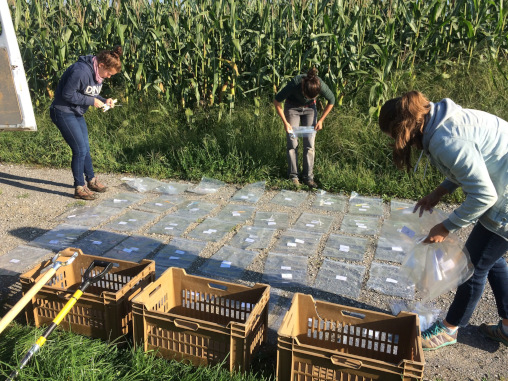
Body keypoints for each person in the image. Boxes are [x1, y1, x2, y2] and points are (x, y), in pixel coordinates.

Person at [379, 90, 508, 351]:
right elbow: (470, 162)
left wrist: (446, 227)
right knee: (492, 259)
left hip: (504, 200)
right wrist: (439, 193)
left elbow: (484, 194)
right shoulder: (441, 119)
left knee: (470, 265)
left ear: (403, 128)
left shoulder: (445, 139)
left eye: (394, 136)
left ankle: (449, 329)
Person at [50, 46, 122, 200]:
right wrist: (91, 101)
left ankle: (91, 180)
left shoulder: (96, 72)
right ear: (101, 65)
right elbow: (67, 94)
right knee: (80, 149)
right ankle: (79, 187)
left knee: (85, 147)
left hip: (76, 112)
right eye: (109, 73)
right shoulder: (81, 71)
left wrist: (104, 100)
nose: (109, 77)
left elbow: (89, 92)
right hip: (63, 111)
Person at [273, 67, 335, 188]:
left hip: (310, 110)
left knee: (310, 143)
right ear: (303, 89)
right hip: (292, 108)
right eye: (308, 96)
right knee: (292, 142)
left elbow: (332, 100)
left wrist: (321, 120)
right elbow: (277, 101)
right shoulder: (295, 83)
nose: (310, 98)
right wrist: (285, 122)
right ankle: (293, 176)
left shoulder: (319, 83)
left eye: (313, 97)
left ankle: (308, 177)